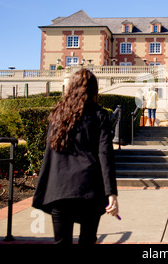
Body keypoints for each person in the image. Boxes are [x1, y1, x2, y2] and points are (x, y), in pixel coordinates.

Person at [32, 68, 118, 245]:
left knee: (61, 242)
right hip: (88, 188)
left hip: (59, 188)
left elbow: (50, 153)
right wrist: (111, 193)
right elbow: (105, 155)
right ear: (94, 90)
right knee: (87, 240)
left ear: (70, 88)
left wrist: (43, 187)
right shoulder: (99, 115)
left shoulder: (57, 114)